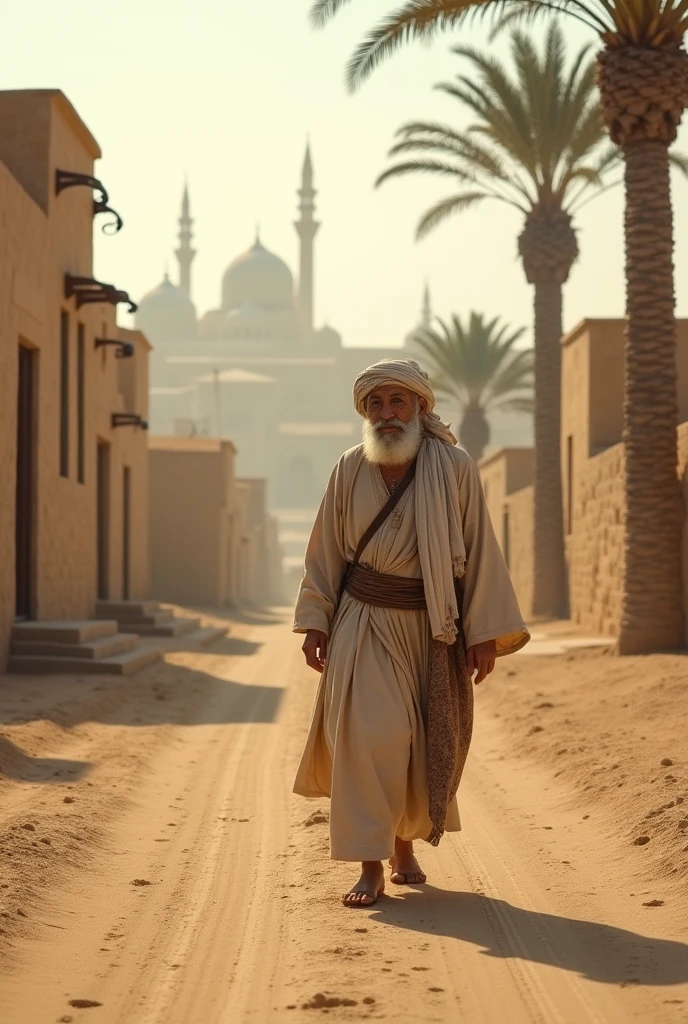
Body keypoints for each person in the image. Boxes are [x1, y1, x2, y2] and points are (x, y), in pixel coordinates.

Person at [293, 359, 529, 906]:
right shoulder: (348, 468)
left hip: (430, 628)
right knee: (371, 739)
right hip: (362, 622)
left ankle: (404, 847)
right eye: (375, 404)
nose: (386, 414)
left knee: (415, 746)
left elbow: (479, 550)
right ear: (365, 413)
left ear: (421, 407)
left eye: (397, 402)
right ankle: (370, 864)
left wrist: (483, 632)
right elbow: (325, 552)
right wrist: (314, 619)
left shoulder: (455, 466)